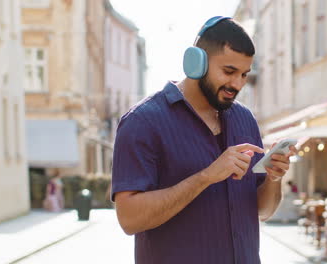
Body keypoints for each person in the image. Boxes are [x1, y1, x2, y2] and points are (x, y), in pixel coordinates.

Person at [111, 16, 296, 264]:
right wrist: (206, 177)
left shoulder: (245, 119)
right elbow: (129, 219)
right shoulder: (142, 122)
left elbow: (262, 211)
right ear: (196, 62)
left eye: (244, 74)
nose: (237, 84)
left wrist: (274, 179)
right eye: (229, 71)